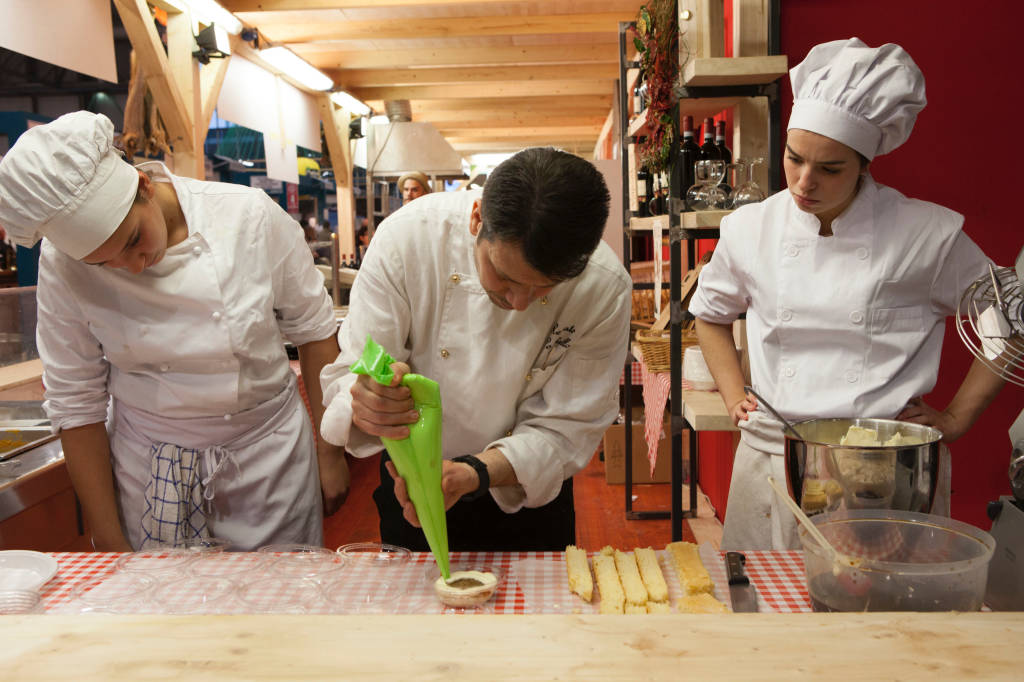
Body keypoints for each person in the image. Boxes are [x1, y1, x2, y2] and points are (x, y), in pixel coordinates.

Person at [688, 38, 1006, 551]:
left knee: (887, 618)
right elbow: (710, 313)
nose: (803, 182)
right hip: (773, 456)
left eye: (830, 168)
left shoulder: (925, 234)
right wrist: (732, 393)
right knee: (768, 613)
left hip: (882, 471)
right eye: (794, 159)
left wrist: (956, 418)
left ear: (865, 163)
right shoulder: (750, 228)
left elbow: (1009, 319)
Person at [0, 111, 350, 551]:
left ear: (144, 186)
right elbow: (76, 402)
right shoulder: (61, 265)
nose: (132, 265)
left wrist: (330, 453)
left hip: (269, 462)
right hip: (148, 470)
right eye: (102, 263)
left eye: (131, 240)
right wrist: (107, 534)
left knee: (281, 610)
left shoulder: (245, 216)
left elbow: (315, 332)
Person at [320, 147, 631, 551]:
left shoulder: (603, 286)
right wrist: (369, 399)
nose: (519, 301)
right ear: (477, 217)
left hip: (527, 493)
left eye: (543, 288)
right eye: (503, 276)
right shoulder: (408, 238)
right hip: (411, 480)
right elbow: (361, 364)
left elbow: (569, 426)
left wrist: (474, 473)